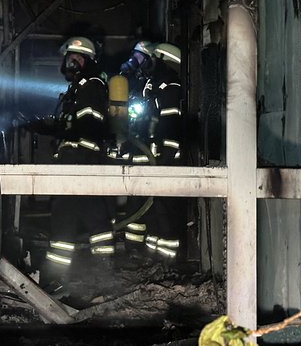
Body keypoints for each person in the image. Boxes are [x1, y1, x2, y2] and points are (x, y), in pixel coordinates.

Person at [31, 36, 115, 282]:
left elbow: (89, 124)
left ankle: (97, 271)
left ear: (88, 61)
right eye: (69, 58)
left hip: (82, 160)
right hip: (74, 160)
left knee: (83, 213)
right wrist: (43, 127)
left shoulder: (91, 85)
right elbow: (70, 126)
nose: (71, 63)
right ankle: (61, 273)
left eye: (76, 58)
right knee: (70, 214)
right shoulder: (77, 89)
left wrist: (69, 141)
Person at [118, 42, 186, 262]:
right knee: (139, 207)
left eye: (152, 59)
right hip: (145, 159)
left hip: (160, 161)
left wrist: (166, 157)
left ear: (164, 62)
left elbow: (171, 124)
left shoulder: (170, 87)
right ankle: (138, 253)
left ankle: (167, 260)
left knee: (161, 210)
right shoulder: (149, 87)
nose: (147, 64)